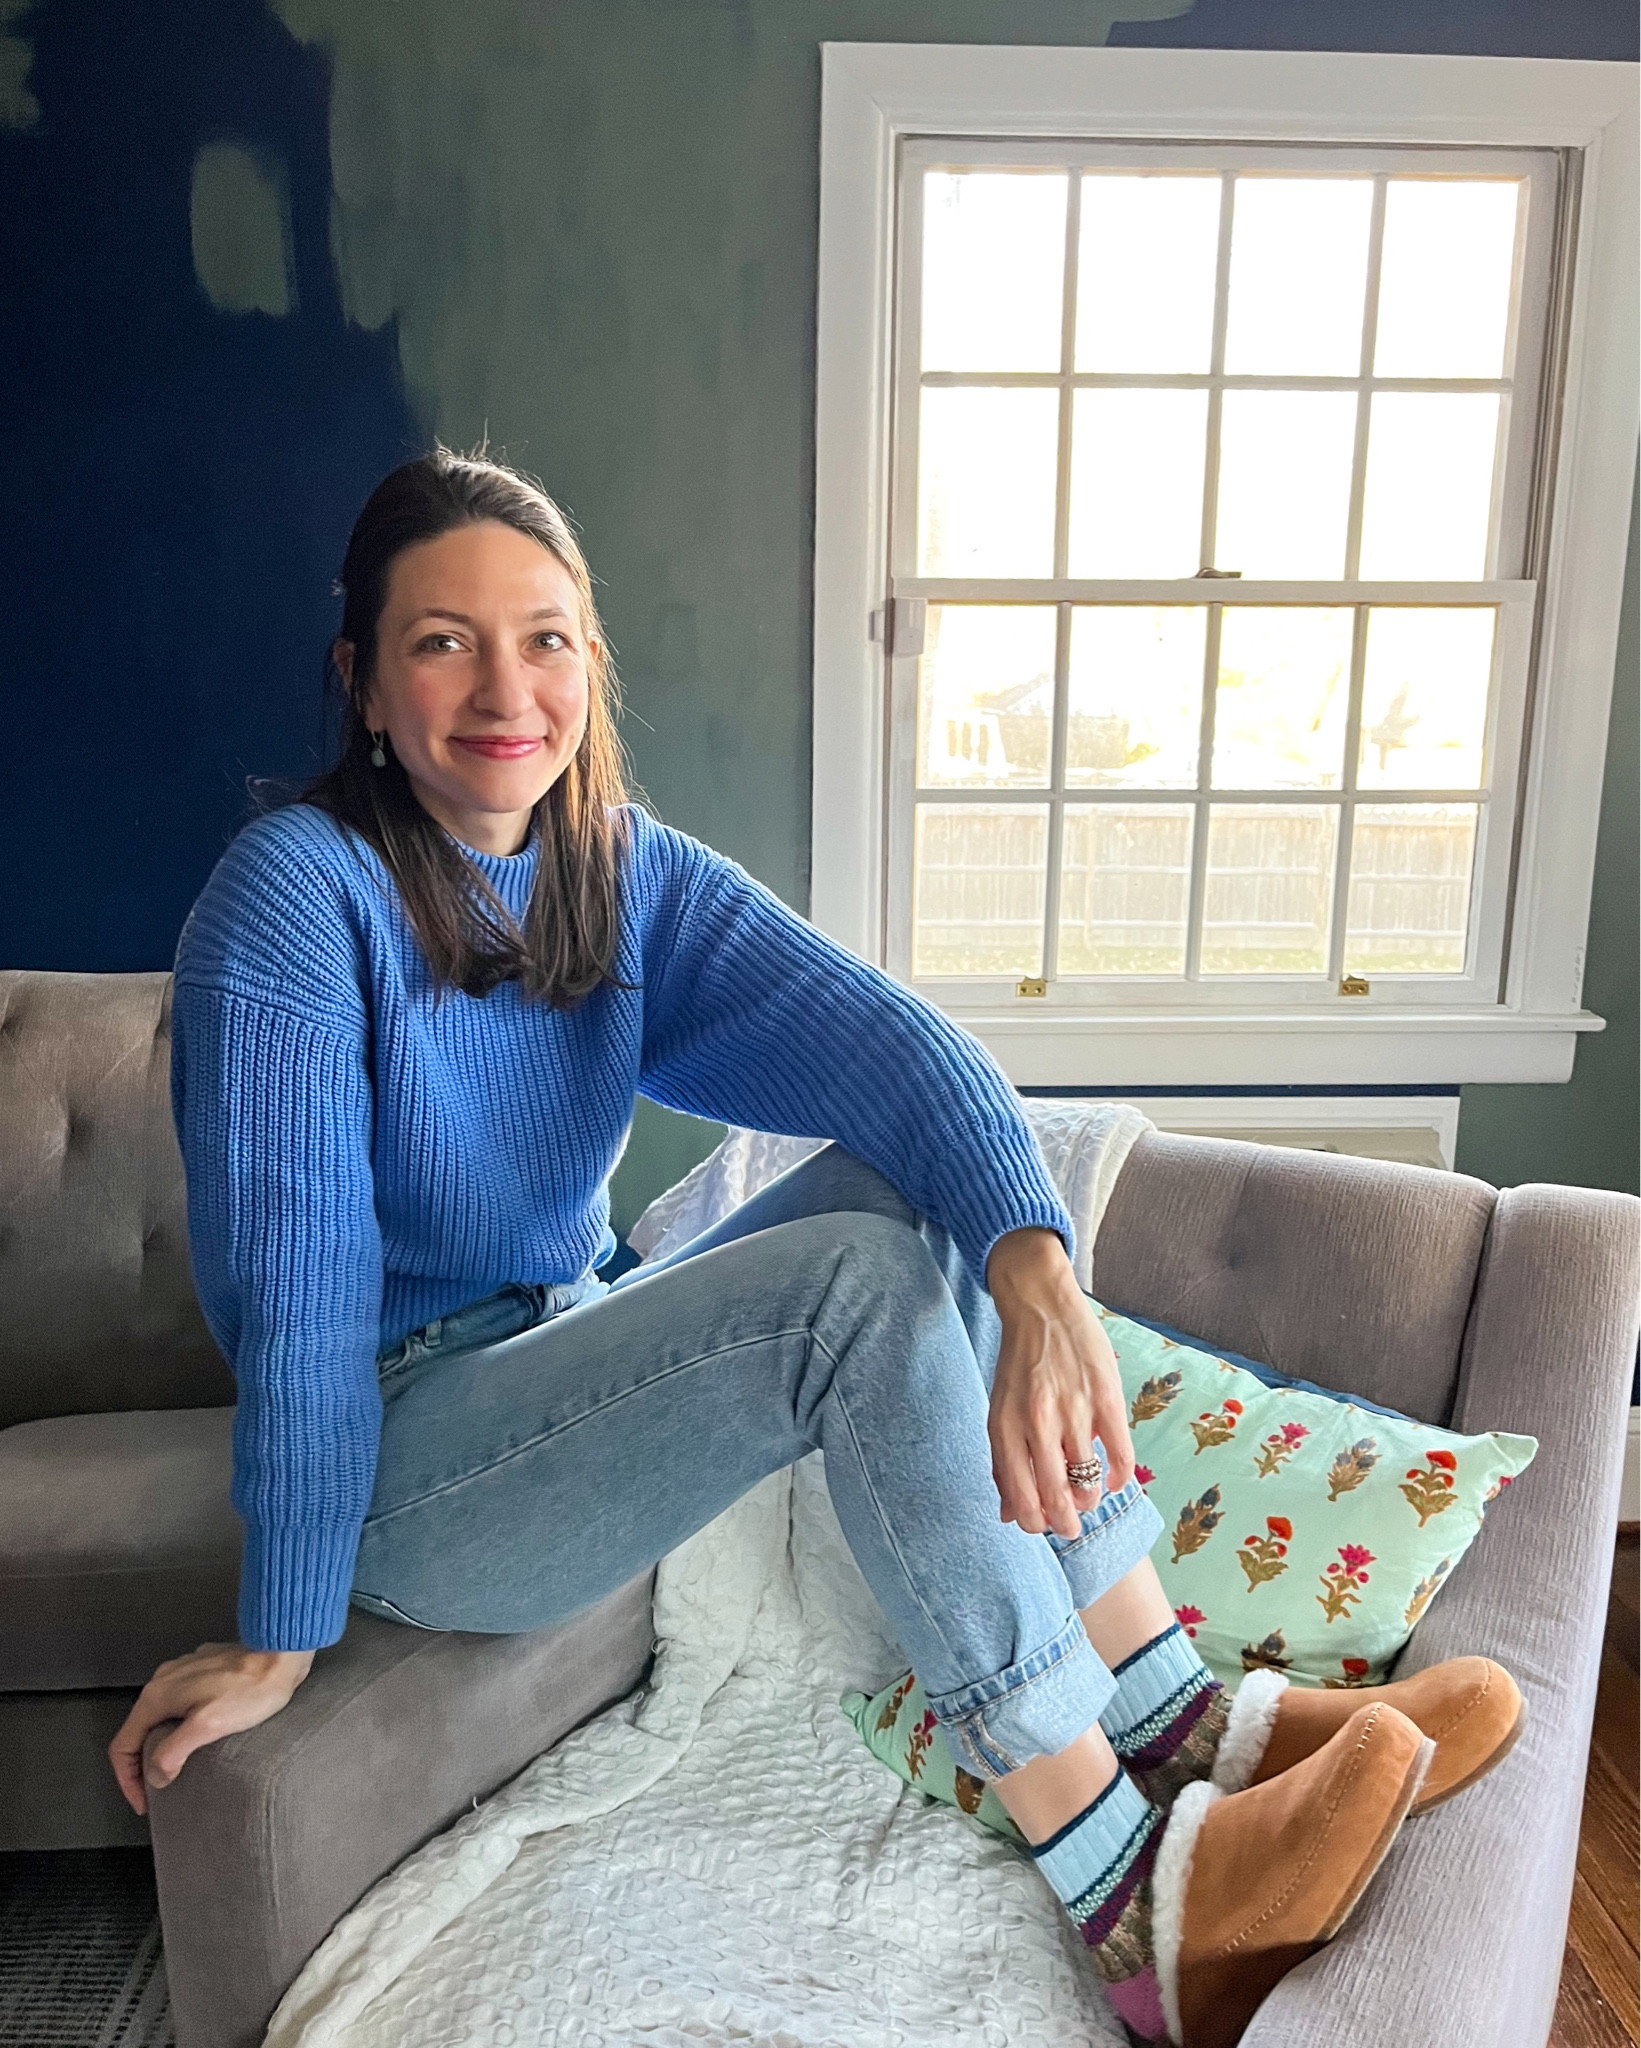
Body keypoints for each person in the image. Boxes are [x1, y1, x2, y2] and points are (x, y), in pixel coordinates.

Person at [109, 450, 1523, 2046]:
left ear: (588, 661)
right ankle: (1134, 1897)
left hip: (558, 1367)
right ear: (362, 682)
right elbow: (295, 1301)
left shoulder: (609, 867)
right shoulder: (294, 898)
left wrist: (1035, 1268)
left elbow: (895, 1050)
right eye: (442, 641)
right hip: (406, 1464)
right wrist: (287, 1628)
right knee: (843, 1289)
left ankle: (1193, 1727)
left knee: (899, 1189)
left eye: (547, 637)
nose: (506, 686)